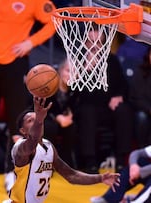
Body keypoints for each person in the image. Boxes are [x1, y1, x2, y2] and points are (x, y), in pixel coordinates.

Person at [0, 0, 57, 191]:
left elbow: (54, 21)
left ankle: (12, 171)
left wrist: (31, 42)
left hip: (16, 63)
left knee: (16, 119)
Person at [6, 97, 120, 203]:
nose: (36, 122)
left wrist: (100, 178)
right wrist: (39, 119)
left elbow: (71, 175)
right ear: (22, 131)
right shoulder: (20, 147)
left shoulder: (48, 146)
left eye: (38, 119)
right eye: (31, 120)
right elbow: (32, 144)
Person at [74, 28, 134, 173]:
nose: (94, 46)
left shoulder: (111, 60)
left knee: (124, 109)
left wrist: (119, 96)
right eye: (90, 42)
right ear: (84, 43)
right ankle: (90, 161)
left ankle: (121, 160)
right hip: (87, 107)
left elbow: (123, 85)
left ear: (103, 43)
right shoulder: (78, 60)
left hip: (108, 108)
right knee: (87, 111)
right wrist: (84, 71)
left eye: (98, 42)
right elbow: (74, 93)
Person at [44, 59, 78, 168]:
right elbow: (43, 107)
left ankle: (66, 160)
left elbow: (75, 107)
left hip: (63, 120)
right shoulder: (50, 85)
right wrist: (57, 117)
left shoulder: (75, 90)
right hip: (46, 117)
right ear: (60, 70)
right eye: (68, 71)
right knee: (50, 126)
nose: (70, 75)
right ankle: (46, 160)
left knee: (73, 126)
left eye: (74, 73)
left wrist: (70, 115)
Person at [129, 47, 151, 148]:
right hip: (145, 110)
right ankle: (143, 149)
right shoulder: (140, 72)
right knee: (141, 117)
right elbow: (136, 98)